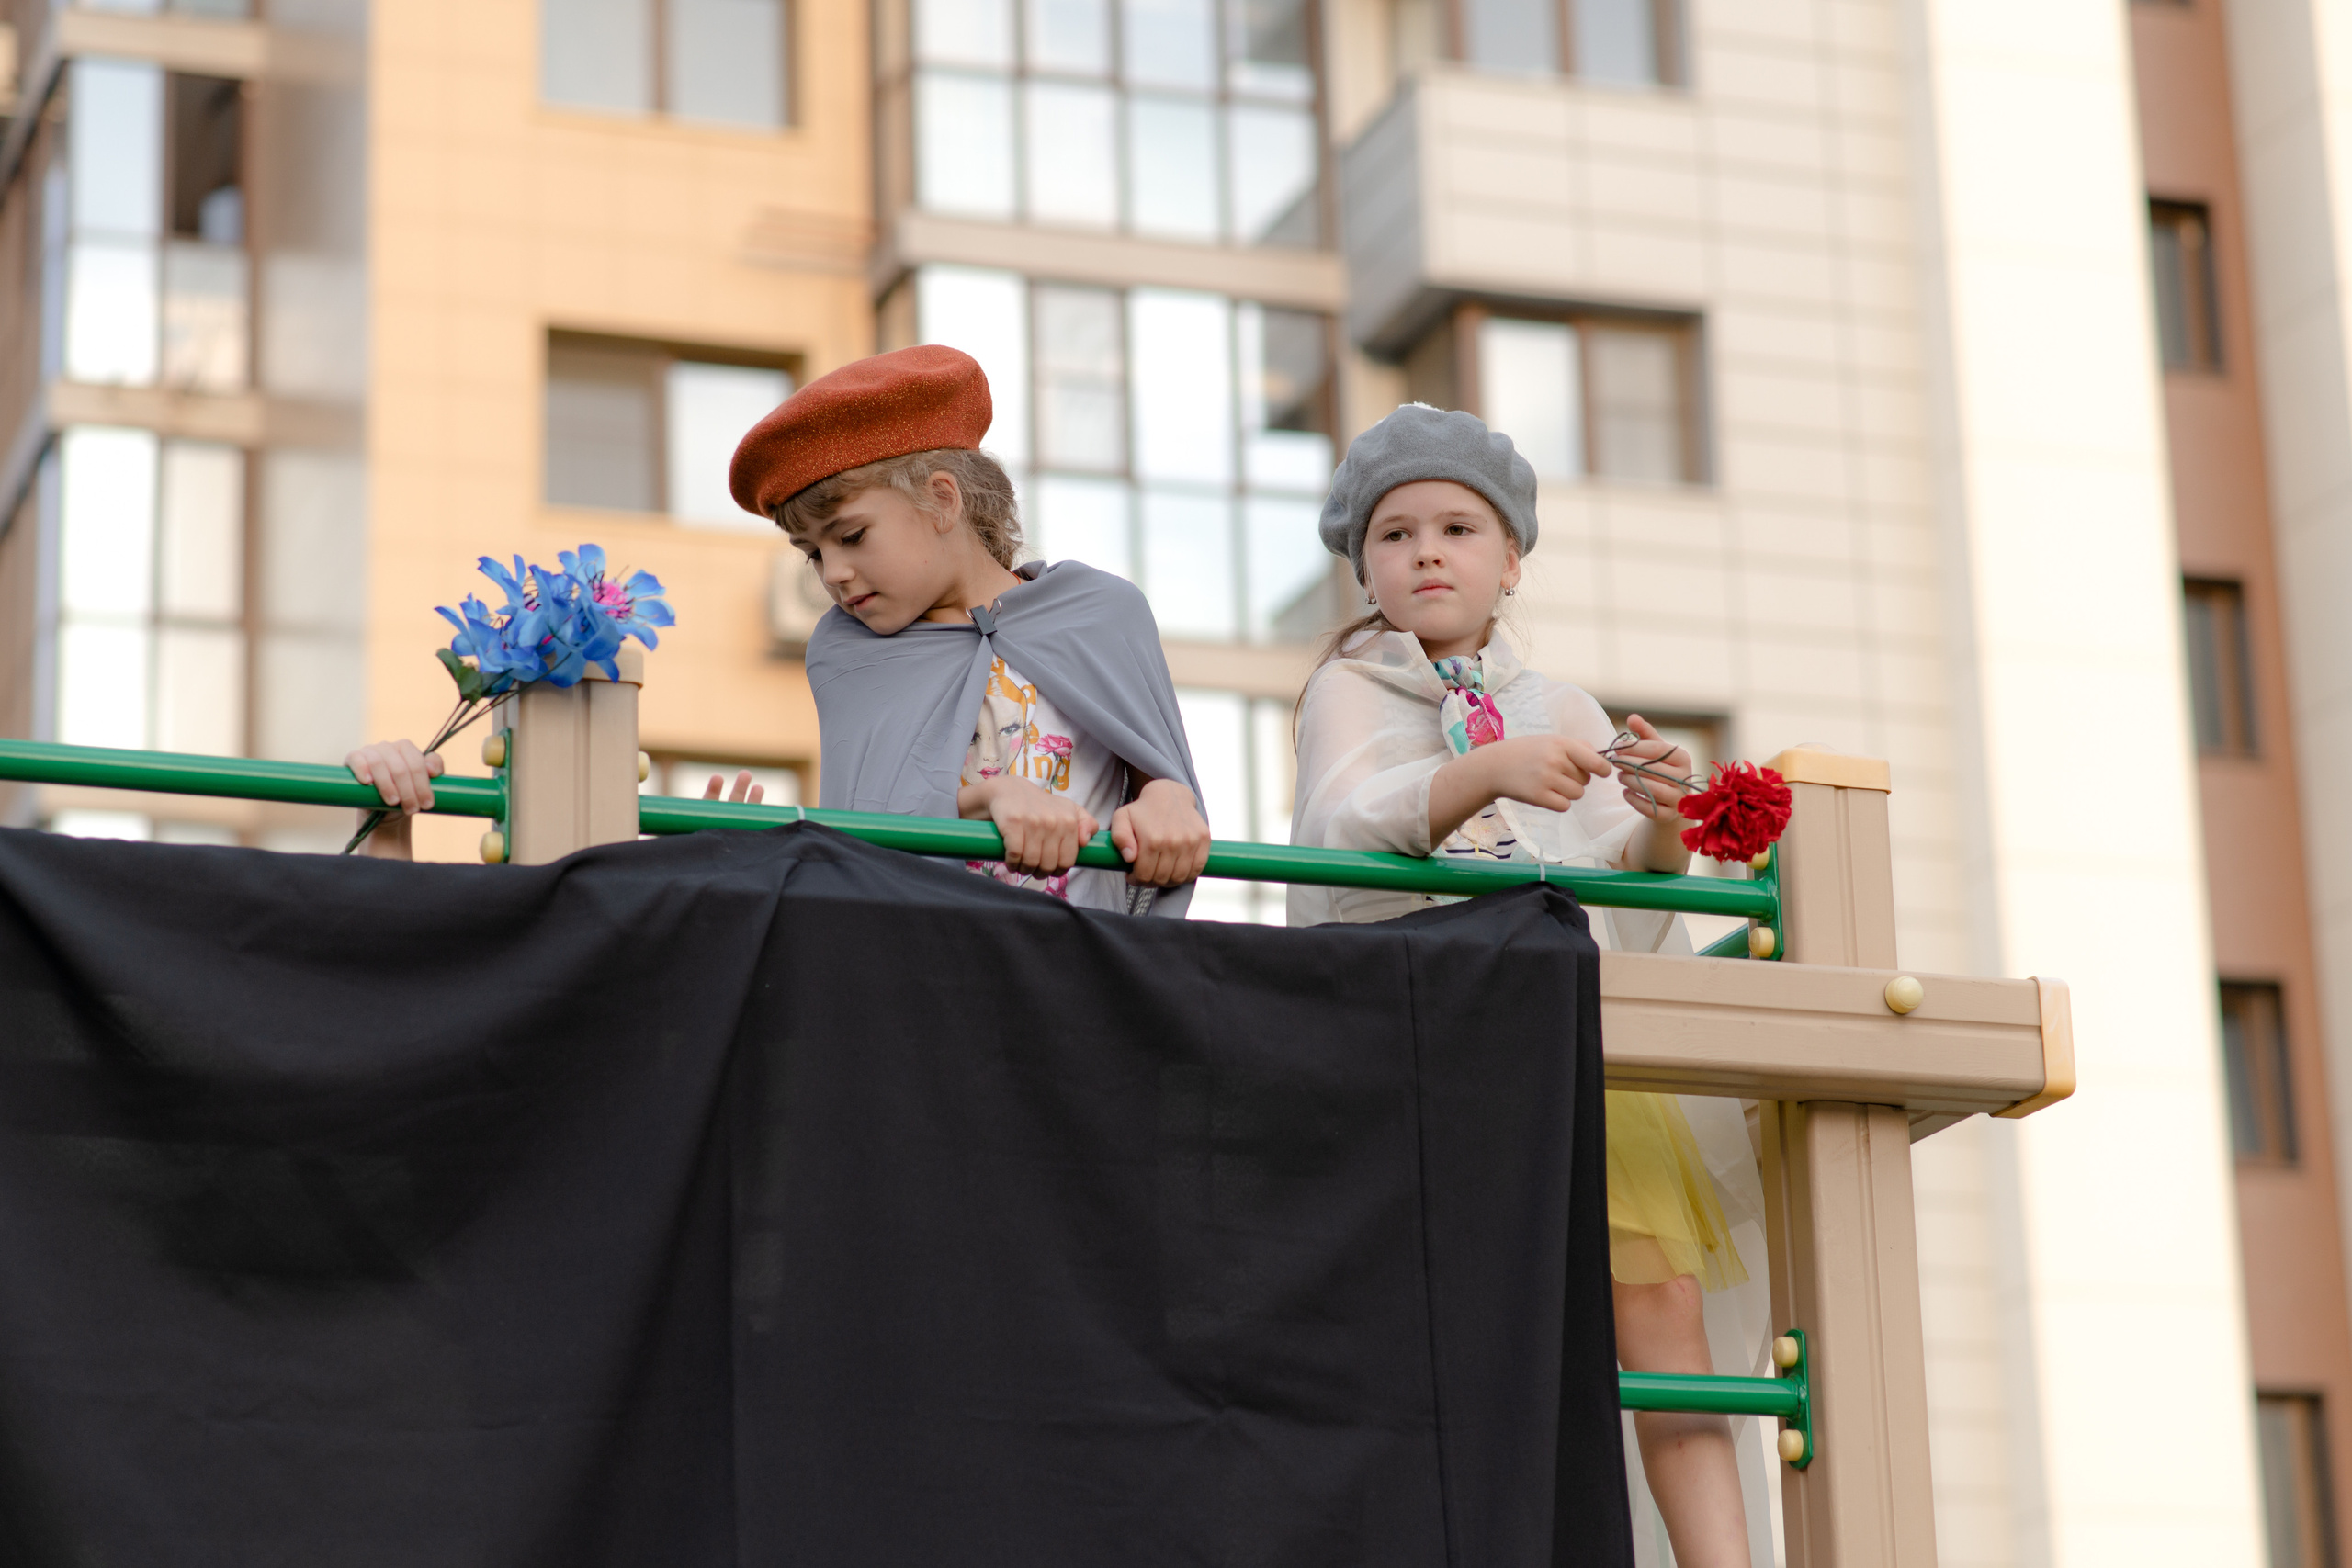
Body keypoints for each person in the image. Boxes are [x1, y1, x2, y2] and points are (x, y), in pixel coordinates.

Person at [1290, 403, 1753, 1567]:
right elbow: (1343, 826)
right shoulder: (1347, 691)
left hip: (1568, 1039)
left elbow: (1626, 887)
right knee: (1464, 1331)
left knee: (1661, 1320)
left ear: (1512, 561)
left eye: (1458, 527)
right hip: (1439, 1048)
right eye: (1394, 536)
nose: (1427, 551)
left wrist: (1661, 824)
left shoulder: (1565, 708)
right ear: (1365, 569)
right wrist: (1479, 772)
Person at [350, 345, 1212, 912]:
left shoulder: (1101, 612)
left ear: (943, 499)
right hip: (934, 982)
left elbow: (1164, 793)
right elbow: (865, 836)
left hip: (1091, 979)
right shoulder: (847, 651)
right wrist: (983, 798)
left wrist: (1169, 797)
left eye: (851, 536)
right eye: (811, 552)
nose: (832, 574)